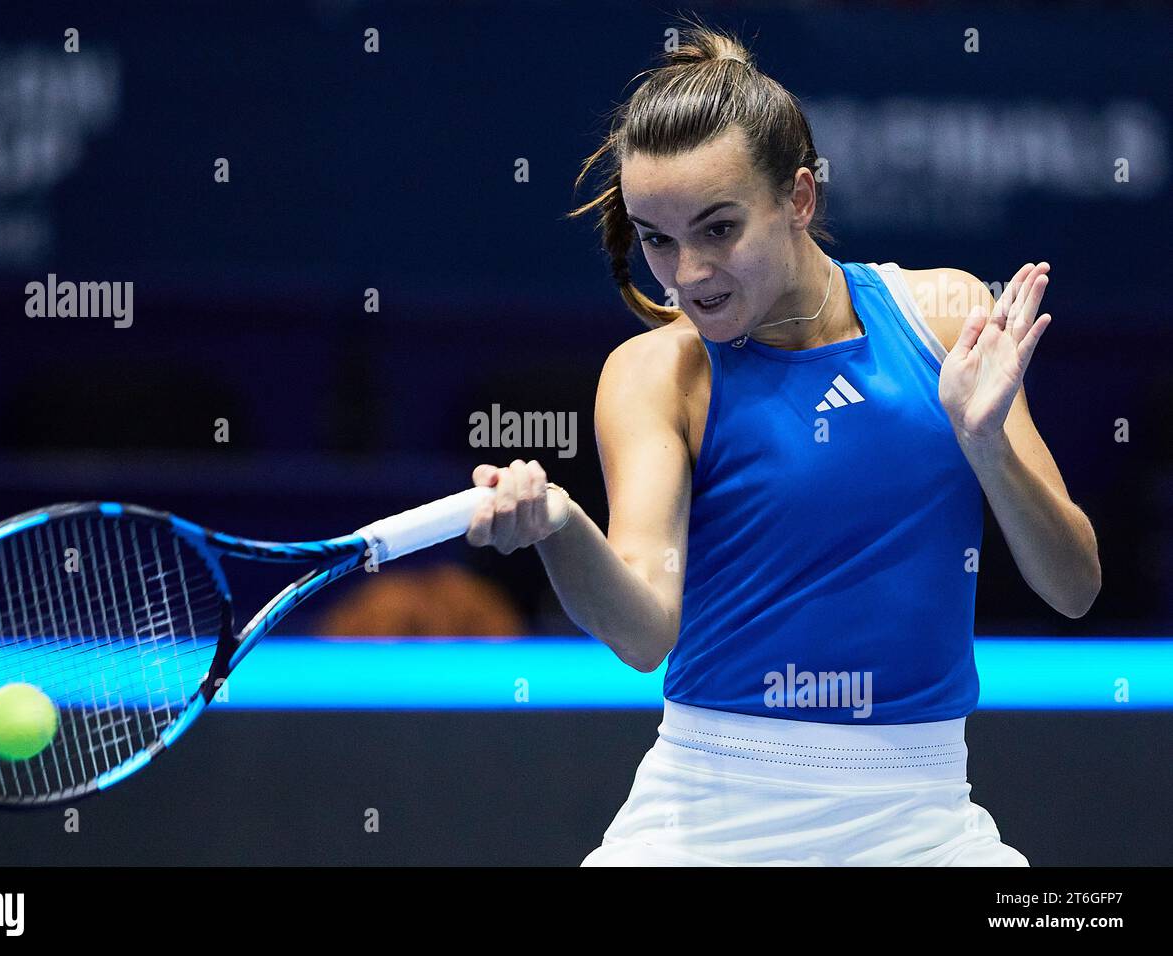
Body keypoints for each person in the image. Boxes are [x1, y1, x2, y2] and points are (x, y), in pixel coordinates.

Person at [466, 20, 1100, 865]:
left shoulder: (944, 316)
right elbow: (645, 633)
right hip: (702, 812)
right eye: (657, 238)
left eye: (718, 229)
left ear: (799, 198)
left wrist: (985, 445)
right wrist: (557, 527)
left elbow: (1074, 587)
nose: (687, 274)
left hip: (923, 818)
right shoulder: (656, 374)